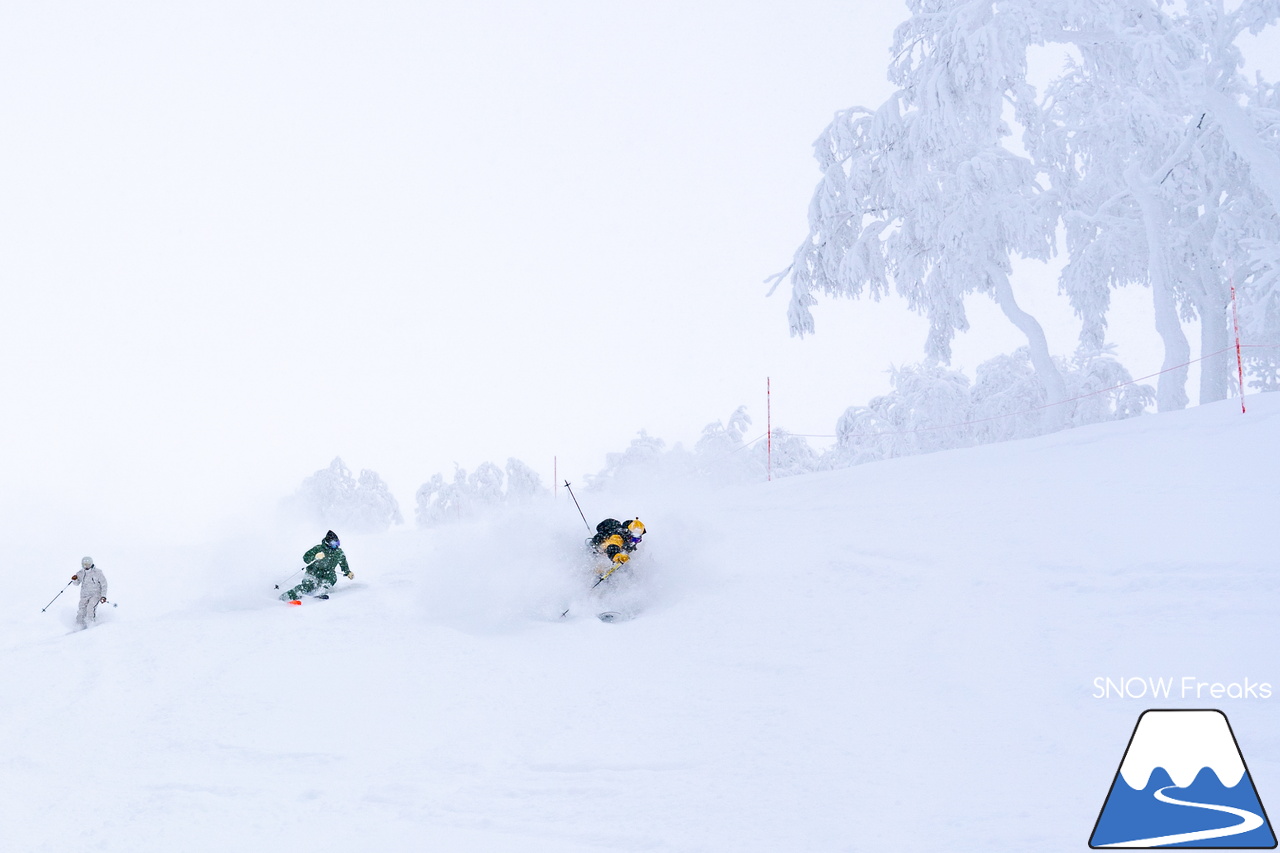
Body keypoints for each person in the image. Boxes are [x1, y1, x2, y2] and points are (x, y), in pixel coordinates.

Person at [280, 530, 353, 601]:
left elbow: (343, 563)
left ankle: (321, 592)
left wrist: (348, 572)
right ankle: (290, 595)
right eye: (334, 543)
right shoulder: (318, 548)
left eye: (338, 543)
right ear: (328, 543)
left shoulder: (339, 552)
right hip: (313, 572)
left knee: (331, 579)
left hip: (328, 573)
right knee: (308, 585)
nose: (336, 545)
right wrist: (315, 556)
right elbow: (306, 558)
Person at [72, 556, 108, 630]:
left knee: (90, 608)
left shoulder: (98, 572)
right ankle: (79, 626)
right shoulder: (81, 573)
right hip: (84, 595)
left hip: (95, 595)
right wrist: (74, 579)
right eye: (84, 564)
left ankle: (91, 625)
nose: (86, 566)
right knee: (81, 609)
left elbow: (104, 584)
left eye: (88, 564)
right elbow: (76, 583)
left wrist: (103, 596)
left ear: (91, 564)